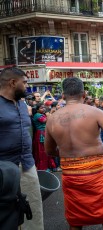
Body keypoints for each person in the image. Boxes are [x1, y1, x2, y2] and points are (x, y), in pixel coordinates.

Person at [45, 77, 103, 230]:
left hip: (71, 176)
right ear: (83, 94)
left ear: (63, 96)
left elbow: (49, 151)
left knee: (75, 220)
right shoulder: (94, 112)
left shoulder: (52, 119)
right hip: (95, 174)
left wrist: (68, 155)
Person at [0, 67, 44, 229]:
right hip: (3, 169)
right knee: (6, 213)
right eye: (24, 83)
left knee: (33, 207)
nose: (27, 86)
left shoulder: (23, 105)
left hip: (26, 163)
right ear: (12, 83)